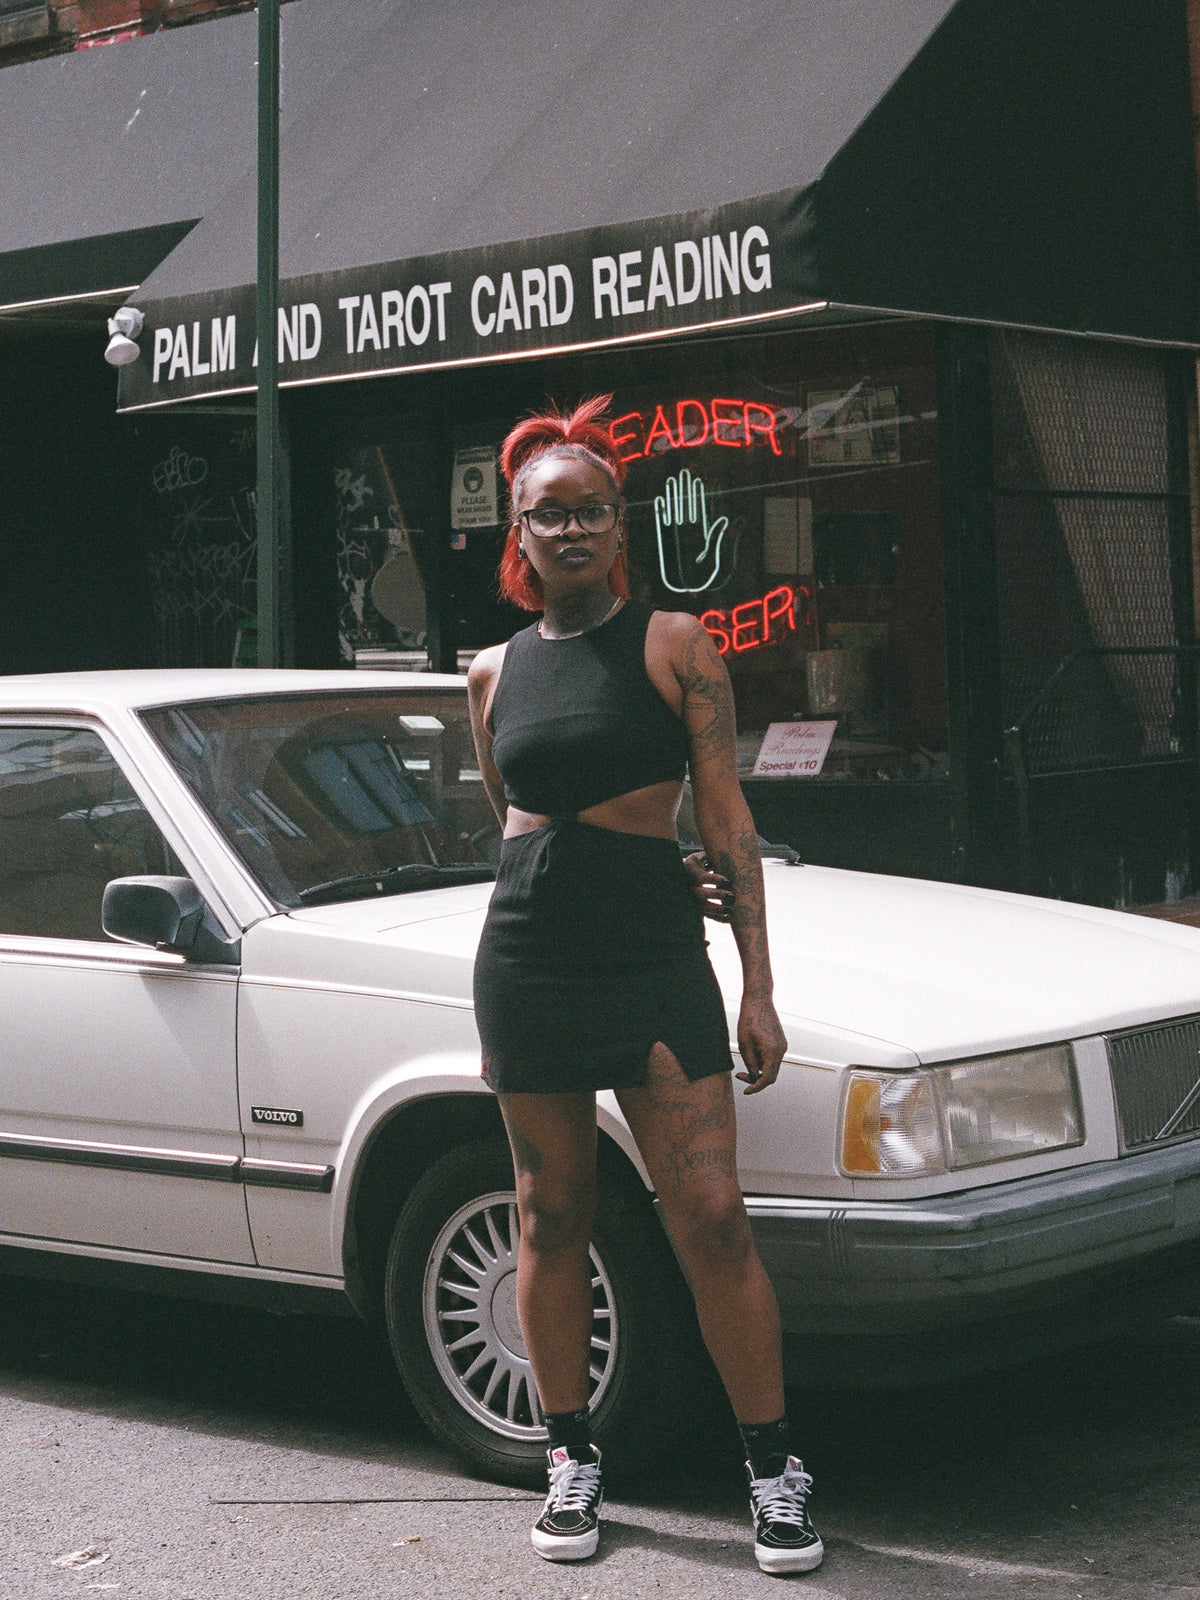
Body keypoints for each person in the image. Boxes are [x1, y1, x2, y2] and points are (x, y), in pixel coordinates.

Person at [467, 396, 822, 1576]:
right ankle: (570, 1455)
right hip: (529, 956)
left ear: (619, 526)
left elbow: (726, 813)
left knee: (712, 1217)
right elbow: (512, 814)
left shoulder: (677, 642)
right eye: (545, 515)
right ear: (517, 533)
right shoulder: (490, 671)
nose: (569, 531)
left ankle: (774, 1469)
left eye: (589, 511)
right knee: (550, 1212)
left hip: (655, 957)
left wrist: (757, 985)